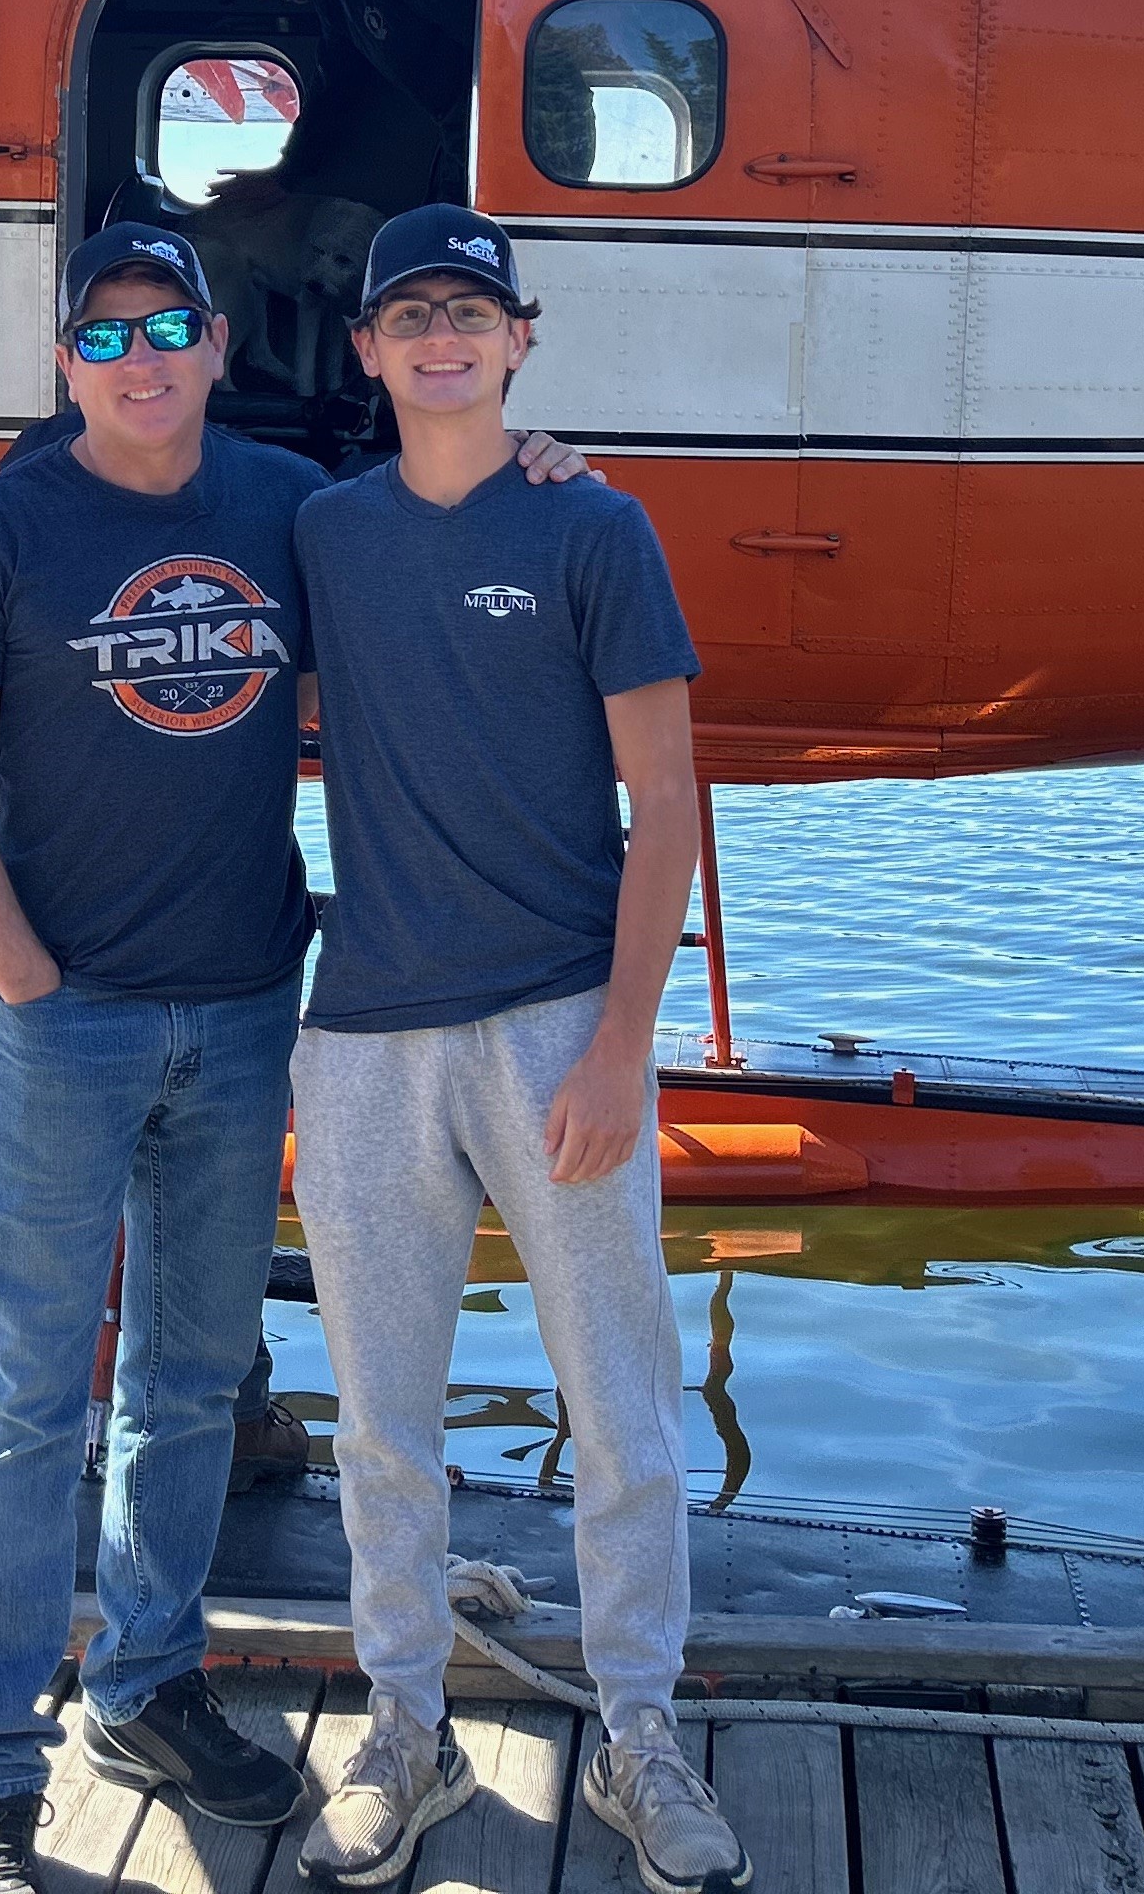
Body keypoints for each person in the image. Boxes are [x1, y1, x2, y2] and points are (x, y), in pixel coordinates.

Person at [0, 222, 592, 1894]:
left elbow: (439, 522)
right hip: (70, 1026)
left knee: (191, 1385)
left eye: (172, 327)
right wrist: (27, 984)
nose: (142, 359)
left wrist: (543, 469)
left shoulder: (290, 509)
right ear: (66, 363)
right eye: (107, 334)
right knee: (17, 1404)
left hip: (243, 1008)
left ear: (220, 348)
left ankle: (145, 1680)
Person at [284, 207, 747, 1894]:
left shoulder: (594, 525)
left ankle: (639, 1728)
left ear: (522, 338)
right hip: (364, 1040)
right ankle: (401, 1722)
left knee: (622, 1407)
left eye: (469, 313)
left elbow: (669, 799)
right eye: (408, 314)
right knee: (383, 1420)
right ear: (367, 353)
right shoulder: (317, 529)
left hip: (558, 1019)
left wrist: (625, 1042)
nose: (440, 340)